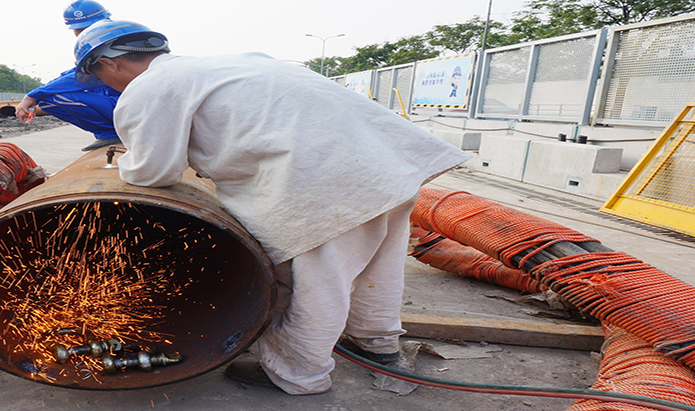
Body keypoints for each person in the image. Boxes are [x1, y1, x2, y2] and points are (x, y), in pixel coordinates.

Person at [74, 20, 471, 395]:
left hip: (325, 180)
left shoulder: (149, 87)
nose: (106, 84)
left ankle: (299, 375)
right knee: (378, 263)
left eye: (99, 76)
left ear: (110, 63)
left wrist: (123, 163)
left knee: (317, 280)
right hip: (384, 164)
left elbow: (152, 171)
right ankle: (378, 344)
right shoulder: (235, 62)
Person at [14, 0, 122, 152]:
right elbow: (71, 74)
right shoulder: (98, 47)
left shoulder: (113, 45)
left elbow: (82, 77)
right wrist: (36, 96)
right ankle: (106, 133)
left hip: (128, 106)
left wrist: (32, 96)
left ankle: (111, 133)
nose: (84, 33)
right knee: (47, 101)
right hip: (116, 103)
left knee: (59, 97)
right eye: (80, 29)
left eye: (88, 28)